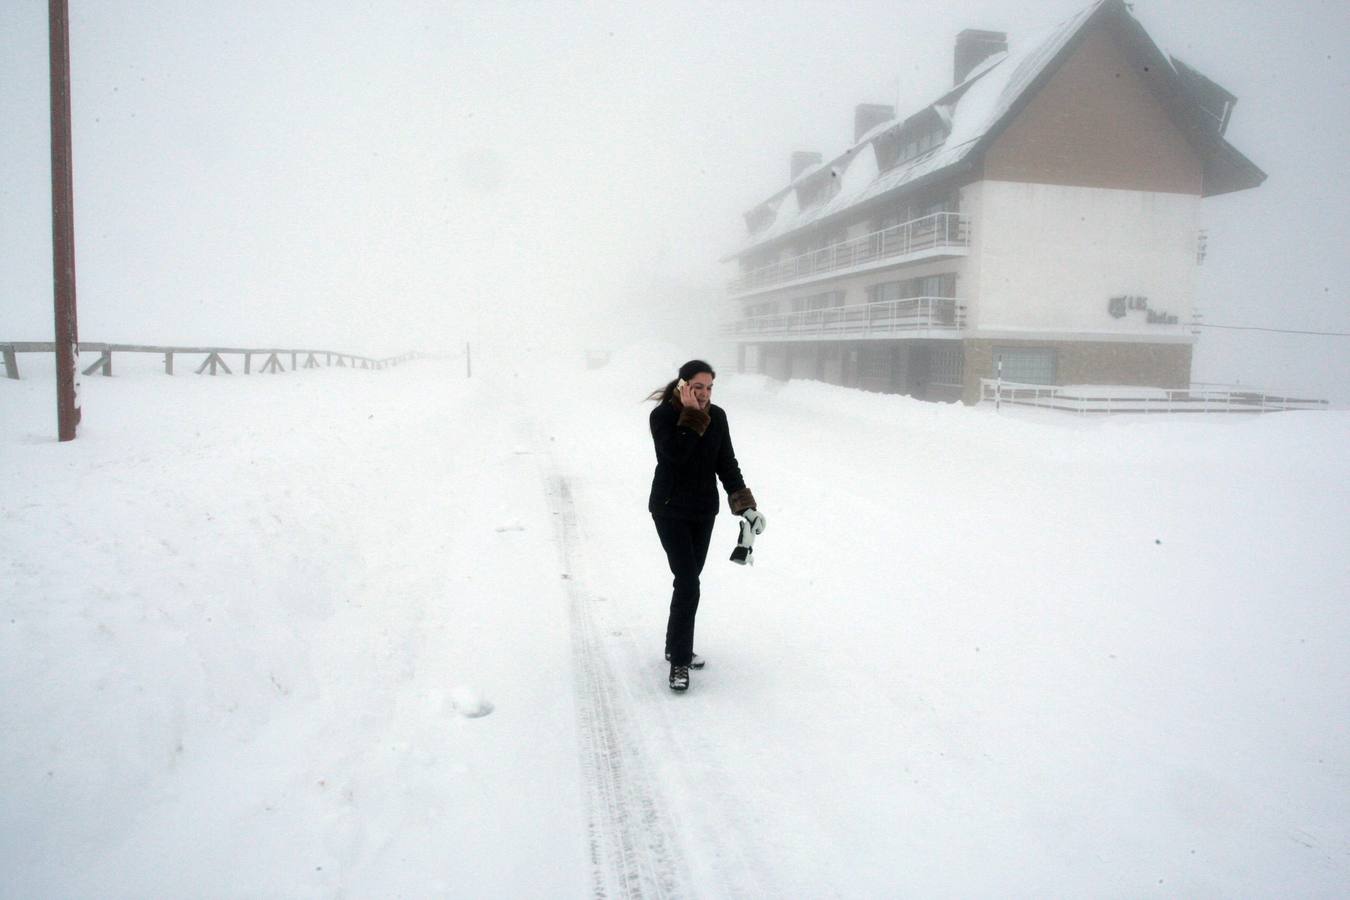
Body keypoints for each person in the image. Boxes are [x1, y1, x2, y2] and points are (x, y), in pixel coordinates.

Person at [647, 360, 765, 692]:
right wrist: (691, 414)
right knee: (688, 582)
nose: (704, 394)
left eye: (709, 387)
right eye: (698, 387)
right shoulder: (663, 417)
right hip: (669, 510)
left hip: (702, 512)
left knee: (688, 582)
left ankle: (674, 646)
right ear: (683, 385)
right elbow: (676, 456)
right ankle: (680, 663)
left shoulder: (719, 417)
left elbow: (726, 462)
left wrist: (746, 506)